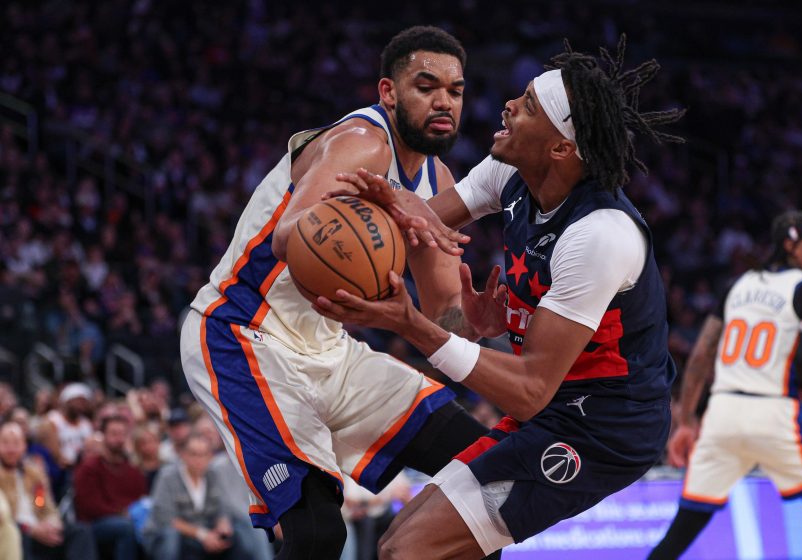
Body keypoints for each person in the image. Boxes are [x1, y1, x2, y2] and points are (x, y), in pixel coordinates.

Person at [315, 35, 684, 558]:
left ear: (560, 147)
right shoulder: (510, 172)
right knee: (400, 541)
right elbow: (423, 226)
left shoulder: (601, 234)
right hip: (556, 402)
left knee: (410, 550)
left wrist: (412, 325)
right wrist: (385, 203)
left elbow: (529, 388)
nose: (509, 104)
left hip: (604, 428)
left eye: (529, 105)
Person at [180, 26, 498, 559]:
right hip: (243, 334)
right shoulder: (360, 141)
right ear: (388, 92)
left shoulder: (438, 178)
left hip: (332, 351)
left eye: (456, 90)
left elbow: (443, 316)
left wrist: (475, 327)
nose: (444, 101)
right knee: (318, 533)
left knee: (486, 474)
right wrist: (396, 201)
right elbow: (289, 235)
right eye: (426, 86)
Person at [648, 211, 802, 560]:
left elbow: (701, 355)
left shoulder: (739, 284)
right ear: (792, 246)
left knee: (681, 532)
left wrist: (688, 419)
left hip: (722, 415)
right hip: (774, 413)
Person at [0, 422, 96, 560]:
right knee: (17, 535)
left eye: (16, 443)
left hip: (40, 527)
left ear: (24, 446)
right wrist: (31, 529)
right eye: (5, 443)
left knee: (80, 532)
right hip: (18, 531)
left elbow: (43, 504)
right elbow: (4, 517)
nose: (11, 449)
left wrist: (51, 523)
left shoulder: (34, 473)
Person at [143, 433, 248, 560]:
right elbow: (165, 518)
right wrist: (203, 535)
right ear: (183, 455)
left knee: (237, 535)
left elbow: (222, 506)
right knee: (172, 537)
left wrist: (223, 523)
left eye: (203, 454)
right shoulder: (168, 477)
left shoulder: (212, 475)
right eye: (193, 454)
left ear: (210, 457)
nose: (198, 460)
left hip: (201, 535)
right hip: (165, 536)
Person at [73, 415, 146, 560]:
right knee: (126, 528)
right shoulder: (89, 468)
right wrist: (121, 513)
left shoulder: (133, 470)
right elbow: (89, 506)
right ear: (104, 436)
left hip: (130, 519)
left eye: (122, 434)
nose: (119, 439)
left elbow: (141, 499)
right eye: (114, 434)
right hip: (95, 524)